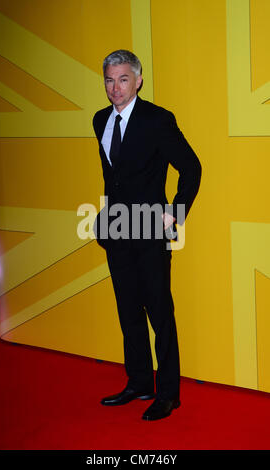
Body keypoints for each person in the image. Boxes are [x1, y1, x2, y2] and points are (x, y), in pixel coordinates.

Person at [92, 50, 201, 420]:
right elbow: (115, 176)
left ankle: (169, 393)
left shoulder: (158, 120)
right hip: (117, 230)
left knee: (160, 312)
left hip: (151, 231)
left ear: (138, 80)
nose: (115, 87)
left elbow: (191, 168)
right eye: (109, 79)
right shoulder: (99, 120)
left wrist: (175, 213)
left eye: (123, 79)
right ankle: (139, 381)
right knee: (128, 311)